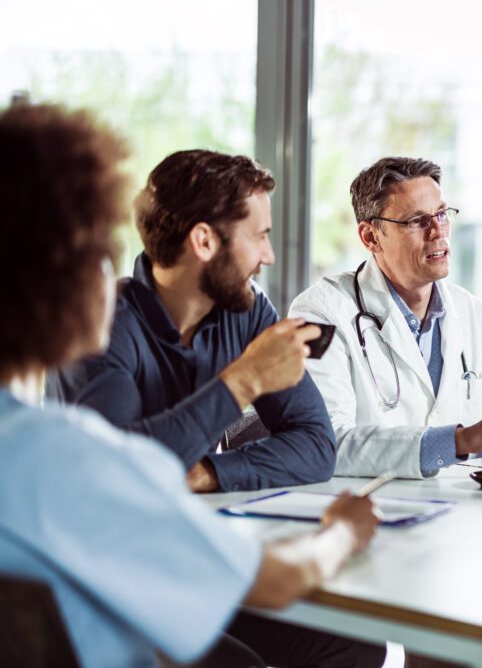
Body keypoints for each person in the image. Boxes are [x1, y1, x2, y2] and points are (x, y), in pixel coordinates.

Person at [0, 103, 383, 668]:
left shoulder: (42, 444)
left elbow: (314, 443)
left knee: (346, 643)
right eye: (98, 252)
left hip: (127, 585)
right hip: (135, 588)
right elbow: (278, 580)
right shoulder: (61, 449)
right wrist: (345, 535)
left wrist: (202, 472)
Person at [48, 149, 336, 492]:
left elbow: (317, 445)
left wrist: (208, 472)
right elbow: (113, 470)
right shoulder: (100, 324)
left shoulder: (248, 310)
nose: (268, 256)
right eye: (259, 236)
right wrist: (243, 381)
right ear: (203, 241)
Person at [289, 157, 482, 480]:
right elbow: (326, 442)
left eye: (441, 214)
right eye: (416, 221)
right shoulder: (320, 312)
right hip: (365, 511)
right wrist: (458, 441)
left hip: (454, 510)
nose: (438, 231)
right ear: (370, 237)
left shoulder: (469, 311)